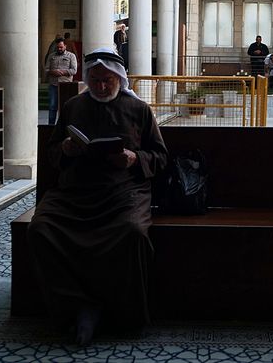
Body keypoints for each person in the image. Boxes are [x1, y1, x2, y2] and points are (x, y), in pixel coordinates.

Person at [27, 48, 168, 346]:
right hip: (75, 192)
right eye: (96, 80)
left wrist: (134, 158)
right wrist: (65, 149)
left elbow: (160, 156)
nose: (102, 87)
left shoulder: (139, 110)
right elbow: (52, 153)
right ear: (88, 79)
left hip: (124, 191)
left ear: (119, 79)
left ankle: (123, 313)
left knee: (132, 232)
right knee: (40, 228)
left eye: (108, 80)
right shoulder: (74, 107)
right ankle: (79, 306)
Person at [43, 37, 77, 125]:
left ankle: (64, 126)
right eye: (58, 47)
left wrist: (62, 72)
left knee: (65, 107)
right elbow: (46, 69)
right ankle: (51, 126)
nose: (59, 49)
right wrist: (53, 72)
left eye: (61, 47)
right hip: (53, 85)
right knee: (52, 106)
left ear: (65, 46)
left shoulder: (71, 56)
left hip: (66, 85)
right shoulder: (51, 56)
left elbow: (74, 70)